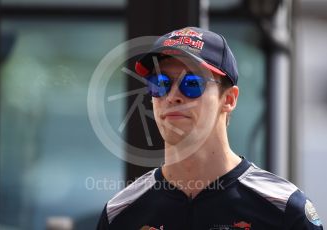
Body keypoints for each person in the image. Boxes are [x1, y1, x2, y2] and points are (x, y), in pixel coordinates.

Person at [96, 27, 323, 230]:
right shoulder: (120, 215)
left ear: (229, 99)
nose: (173, 96)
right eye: (160, 83)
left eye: (192, 84)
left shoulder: (284, 210)